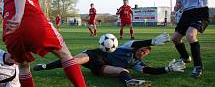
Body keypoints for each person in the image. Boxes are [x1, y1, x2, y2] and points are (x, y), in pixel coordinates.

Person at [2, 0, 86, 87]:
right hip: (32, 24)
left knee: (23, 66)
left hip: (10, 33)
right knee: (65, 54)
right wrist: (19, 15)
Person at [33, 33, 186, 87]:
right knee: (74, 61)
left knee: (123, 71)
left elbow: (149, 70)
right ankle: (45, 66)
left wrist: (168, 69)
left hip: (102, 66)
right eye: (142, 49)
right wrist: (151, 41)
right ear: (138, 49)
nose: (143, 52)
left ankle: (129, 82)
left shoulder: (137, 63)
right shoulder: (128, 46)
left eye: (145, 52)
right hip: (96, 55)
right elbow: (137, 43)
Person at [170, 0, 215, 78]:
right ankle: (185, 58)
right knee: (175, 38)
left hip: (200, 11)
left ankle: (198, 66)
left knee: (190, 35)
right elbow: (179, 1)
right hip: (187, 13)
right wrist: (177, 5)